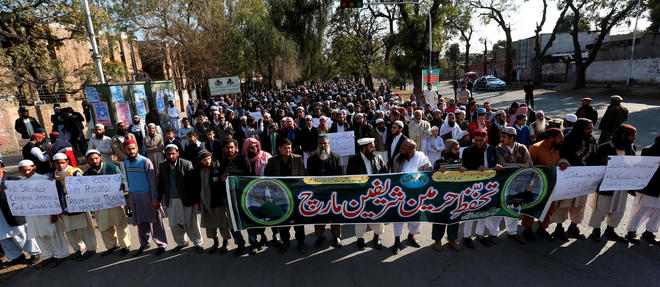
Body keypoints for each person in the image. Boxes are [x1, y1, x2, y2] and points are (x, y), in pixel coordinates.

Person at [588, 124, 637, 242]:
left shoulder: (631, 147)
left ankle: (610, 231)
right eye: (632, 136)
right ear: (623, 136)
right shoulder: (604, 147)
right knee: (601, 208)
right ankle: (596, 231)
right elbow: (592, 163)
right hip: (607, 184)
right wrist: (602, 161)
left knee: (619, 209)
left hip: (622, 186)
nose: (634, 138)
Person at [18, 160, 69, 268]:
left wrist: (53, 214)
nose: (26, 172)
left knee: (54, 234)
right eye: (24, 171)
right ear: (20, 171)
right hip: (32, 216)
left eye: (29, 170)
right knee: (39, 235)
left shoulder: (45, 180)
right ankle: (47, 256)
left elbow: (53, 198)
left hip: (47, 214)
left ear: (34, 168)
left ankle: (62, 254)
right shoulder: (19, 183)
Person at [556, 119, 600, 240]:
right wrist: (563, 162)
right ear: (580, 128)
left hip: (585, 177)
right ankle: (559, 227)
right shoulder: (570, 139)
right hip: (570, 177)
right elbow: (562, 155)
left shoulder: (591, 139)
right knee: (565, 202)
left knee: (580, 203)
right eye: (588, 128)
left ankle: (573, 226)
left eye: (591, 128)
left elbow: (594, 155)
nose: (591, 131)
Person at [123, 140, 168, 256]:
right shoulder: (125, 162)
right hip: (134, 196)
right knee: (140, 221)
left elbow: (153, 183)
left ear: (137, 148)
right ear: (125, 150)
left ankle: (161, 244)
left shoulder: (145, 161)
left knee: (155, 221)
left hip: (147, 196)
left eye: (133, 148)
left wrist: (154, 199)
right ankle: (144, 243)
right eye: (129, 149)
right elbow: (128, 180)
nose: (131, 151)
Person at [83, 150, 131, 256]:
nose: (94, 161)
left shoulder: (112, 168)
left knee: (120, 223)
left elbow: (122, 180)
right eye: (91, 159)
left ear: (100, 157)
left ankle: (125, 245)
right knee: (104, 225)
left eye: (96, 158)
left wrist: (121, 186)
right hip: (99, 205)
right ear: (87, 161)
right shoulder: (86, 174)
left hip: (114, 201)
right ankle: (111, 245)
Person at [50, 153, 98, 261]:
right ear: (53, 163)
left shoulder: (75, 173)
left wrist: (70, 207)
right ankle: (78, 249)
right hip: (63, 209)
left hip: (77, 207)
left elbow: (83, 190)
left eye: (63, 162)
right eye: (57, 163)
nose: (60, 165)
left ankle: (91, 249)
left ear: (67, 162)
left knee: (83, 229)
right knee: (70, 230)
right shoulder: (54, 176)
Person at [157, 144, 203, 253]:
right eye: (169, 154)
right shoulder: (163, 166)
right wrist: (158, 200)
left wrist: (196, 201)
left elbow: (193, 184)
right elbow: (161, 184)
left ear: (177, 153)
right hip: (171, 199)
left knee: (191, 223)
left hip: (186, 199)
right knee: (175, 223)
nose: (171, 156)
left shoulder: (186, 164)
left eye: (173, 154)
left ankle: (198, 243)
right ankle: (181, 242)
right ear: (165, 155)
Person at [265, 138, 307, 253]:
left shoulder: (298, 159)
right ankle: (285, 241)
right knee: (283, 221)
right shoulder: (272, 161)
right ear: (279, 148)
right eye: (285, 148)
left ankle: (301, 242)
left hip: (295, 196)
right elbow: (268, 179)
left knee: (298, 221)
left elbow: (303, 176)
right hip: (280, 197)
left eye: (289, 148)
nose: (288, 150)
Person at [390, 139, 432, 254]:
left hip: (416, 192)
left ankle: (411, 236)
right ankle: (397, 241)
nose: (400, 151)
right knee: (398, 217)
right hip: (401, 193)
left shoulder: (420, 156)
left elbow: (429, 170)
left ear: (410, 150)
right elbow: (394, 176)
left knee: (415, 215)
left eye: (403, 149)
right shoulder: (398, 159)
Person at [491, 127, 531, 245]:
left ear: (512, 138)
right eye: (501, 136)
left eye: (504, 137)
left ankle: (512, 232)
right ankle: (493, 234)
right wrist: (520, 165)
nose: (501, 139)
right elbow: (503, 165)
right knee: (498, 209)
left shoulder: (522, 148)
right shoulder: (498, 149)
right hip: (502, 184)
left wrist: (513, 165)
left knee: (514, 208)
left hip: (518, 185)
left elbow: (529, 164)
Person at [461, 129, 498, 249]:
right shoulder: (468, 150)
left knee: (484, 210)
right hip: (473, 186)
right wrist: (477, 168)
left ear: (486, 139)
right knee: (471, 211)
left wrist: (495, 166)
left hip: (488, 185)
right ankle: (467, 236)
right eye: (476, 140)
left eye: (480, 140)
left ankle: (480, 234)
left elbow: (495, 164)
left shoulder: (492, 150)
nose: (478, 143)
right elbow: (465, 167)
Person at [0, 159, 41, 268]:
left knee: (22, 234)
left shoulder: (13, 180)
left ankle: (34, 253)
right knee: (4, 238)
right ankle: (16, 257)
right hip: (0, 217)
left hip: (13, 214)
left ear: (2, 168)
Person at [347, 138, 387, 250]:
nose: (373, 148)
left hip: (376, 194)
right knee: (361, 219)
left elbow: (385, 174)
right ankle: (360, 239)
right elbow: (350, 179)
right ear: (363, 148)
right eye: (371, 147)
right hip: (361, 196)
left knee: (378, 217)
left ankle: (376, 238)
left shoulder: (378, 158)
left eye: (373, 146)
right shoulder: (354, 160)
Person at [524, 128, 564, 241]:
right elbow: (529, 167)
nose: (562, 140)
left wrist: (563, 163)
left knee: (550, 207)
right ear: (551, 138)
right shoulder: (536, 148)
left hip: (552, 185)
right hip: (536, 185)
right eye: (560, 138)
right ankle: (527, 229)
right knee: (532, 206)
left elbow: (560, 160)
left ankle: (542, 229)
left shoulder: (558, 149)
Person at [218, 140, 255, 256]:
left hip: (242, 196)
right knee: (232, 222)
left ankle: (253, 243)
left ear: (236, 148)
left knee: (247, 219)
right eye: (227, 147)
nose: (229, 150)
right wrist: (221, 178)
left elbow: (249, 176)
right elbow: (217, 178)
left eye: (231, 147)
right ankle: (240, 244)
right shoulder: (221, 161)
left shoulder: (243, 159)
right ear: (223, 149)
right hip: (227, 196)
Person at [307, 135, 343, 248]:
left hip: (333, 194)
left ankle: (336, 236)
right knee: (318, 216)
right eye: (320, 143)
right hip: (318, 193)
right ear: (317, 145)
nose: (323, 146)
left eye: (325, 143)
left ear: (329, 144)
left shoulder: (336, 157)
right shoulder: (311, 159)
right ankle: (319, 236)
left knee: (335, 215)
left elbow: (341, 176)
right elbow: (309, 178)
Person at [626, 134, 660, 245]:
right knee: (641, 210)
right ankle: (631, 232)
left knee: (658, 212)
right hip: (650, 186)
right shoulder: (650, 150)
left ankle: (649, 232)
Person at [431, 139, 462, 252]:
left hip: (456, 196)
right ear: (449, 150)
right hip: (441, 197)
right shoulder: (439, 162)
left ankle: (452, 240)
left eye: (458, 149)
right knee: (440, 218)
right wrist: (438, 172)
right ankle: (437, 240)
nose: (458, 151)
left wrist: (464, 171)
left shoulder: (461, 162)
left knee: (454, 218)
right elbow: (432, 178)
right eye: (455, 149)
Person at [243, 138, 272, 248]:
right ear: (246, 148)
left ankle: (275, 236)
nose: (255, 148)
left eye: (256, 146)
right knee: (253, 217)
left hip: (266, 191)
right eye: (251, 147)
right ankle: (254, 241)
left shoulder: (266, 155)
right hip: (250, 193)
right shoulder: (244, 159)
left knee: (270, 214)